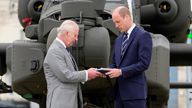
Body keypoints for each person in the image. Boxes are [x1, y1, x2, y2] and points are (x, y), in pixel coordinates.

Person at [43, 20, 101, 108]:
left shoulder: (62, 49)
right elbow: (65, 75)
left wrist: (88, 74)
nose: (76, 39)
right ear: (66, 33)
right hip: (61, 104)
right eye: (75, 35)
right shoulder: (55, 50)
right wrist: (86, 74)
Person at [105, 6, 152, 108]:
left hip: (135, 95)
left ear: (127, 17)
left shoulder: (143, 36)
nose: (116, 26)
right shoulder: (118, 40)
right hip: (119, 95)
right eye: (114, 23)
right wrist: (106, 71)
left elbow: (144, 63)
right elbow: (115, 63)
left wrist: (121, 71)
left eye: (118, 22)